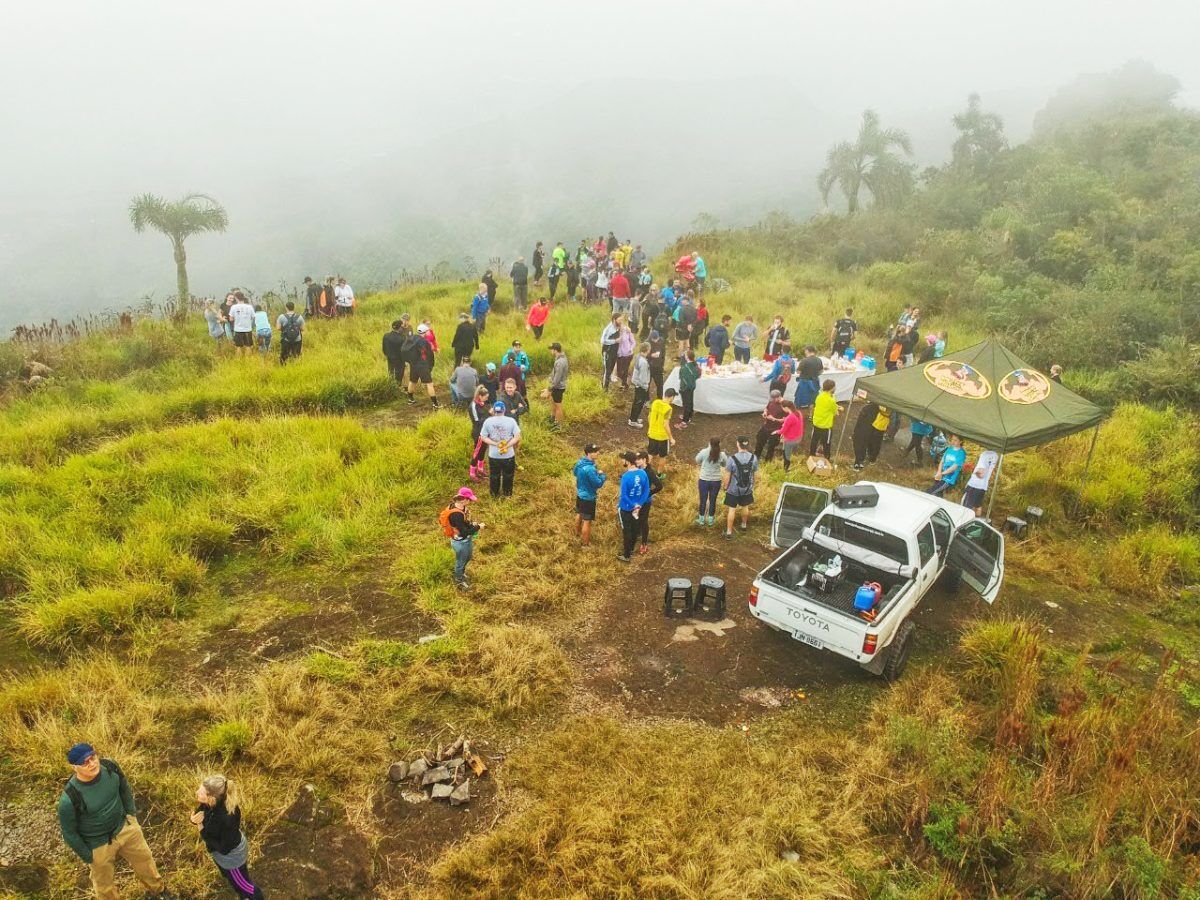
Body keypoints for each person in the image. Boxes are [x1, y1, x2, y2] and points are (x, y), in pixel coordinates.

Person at [57, 743, 174, 900]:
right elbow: (69, 833)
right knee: (104, 885)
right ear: (74, 767)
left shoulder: (110, 767)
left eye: (93, 757)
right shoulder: (69, 798)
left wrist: (131, 814)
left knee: (145, 861)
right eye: (85, 762)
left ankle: (159, 891)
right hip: (98, 844)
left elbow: (124, 787)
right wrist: (88, 856)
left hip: (125, 828)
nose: (92, 763)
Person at [191, 775, 263, 899]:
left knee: (246, 887)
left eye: (201, 792)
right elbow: (199, 815)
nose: (197, 792)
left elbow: (224, 849)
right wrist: (193, 820)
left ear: (211, 797)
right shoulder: (208, 804)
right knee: (228, 876)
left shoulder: (227, 818)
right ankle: (230, 878)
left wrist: (201, 828)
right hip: (218, 852)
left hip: (232, 858)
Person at [441, 487, 482, 588]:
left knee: (468, 557)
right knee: (461, 560)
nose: (470, 501)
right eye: (469, 500)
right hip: (460, 541)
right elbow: (463, 533)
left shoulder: (460, 507)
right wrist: (478, 527)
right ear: (464, 500)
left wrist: (471, 524)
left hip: (465, 539)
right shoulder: (456, 515)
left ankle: (461, 573)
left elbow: (464, 524)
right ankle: (458, 579)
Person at [480, 401, 521, 498]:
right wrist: (507, 445)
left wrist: (495, 443)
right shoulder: (511, 421)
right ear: (504, 410)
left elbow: (483, 437)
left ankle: (494, 495)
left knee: (494, 475)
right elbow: (517, 436)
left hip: (494, 455)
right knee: (508, 475)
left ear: (494, 410)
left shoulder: (488, 421)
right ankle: (507, 495)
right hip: (508, 455)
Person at [616, 452, 650, 563]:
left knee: (627, 531)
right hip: (638, 509)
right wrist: (639, 505)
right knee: (635, 529)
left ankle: (626, 555)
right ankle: (630, 550)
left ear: (628, 461)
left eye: (623, 459)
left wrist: (632, 505)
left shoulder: (626, 477)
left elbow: (624, 496)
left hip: (626, 508)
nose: (622, 461)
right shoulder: (642, 473)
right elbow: (646, 491)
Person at [722, 437, 759, 539]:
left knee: (732, 510)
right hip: (747, 488)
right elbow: (756, 474)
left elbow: (727, 476)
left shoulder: (732, 459)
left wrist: (725, 486)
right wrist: (753, 485)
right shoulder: (753, 458)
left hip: (733, 489)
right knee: (745, 507)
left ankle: (729, 532)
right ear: (747, 445)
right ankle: (743, 526)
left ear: (738, 444)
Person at [573, 443, 607, 547]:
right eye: (595, 452)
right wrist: (602, 475)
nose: (598, 453)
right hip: (588, 497)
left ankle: (577, 533)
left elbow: (575, 473)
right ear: (589, 453)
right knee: (587, 521)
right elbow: (598, 483)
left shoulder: (580, 462)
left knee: (579, 513)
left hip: (580, 494)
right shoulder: (590, 469)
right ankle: (585, 545)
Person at [403, 324, 442, 408]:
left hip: (413, 364)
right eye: (427, 331)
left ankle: (410, 399)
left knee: (412, 381)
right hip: (422, 365)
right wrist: (430, 365)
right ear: (425, 332)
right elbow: (429, 355)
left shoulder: (412, 338)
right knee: (429, 384)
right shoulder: (424, 341)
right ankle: (435, 404)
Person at [635, 450, 663, 553]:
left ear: (644, 460)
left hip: (645, 502)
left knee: (643, 521)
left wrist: (649, 493)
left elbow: (659, 486)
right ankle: (637, 535)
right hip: (636, 500)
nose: (636, 461)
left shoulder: (650, 472)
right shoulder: (637, 468)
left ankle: (644, 543)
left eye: (638, 459)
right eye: (636, 459)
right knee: (636, 518)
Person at [695, 437, 727, 526]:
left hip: (704, 480)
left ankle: (701, 520)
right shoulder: (722, 454)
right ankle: (711, 520)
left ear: (709, 443)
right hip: (716, 481)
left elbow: (697, 460)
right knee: (713, 500)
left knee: (703, 500)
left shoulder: (704, 452)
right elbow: (725, 464)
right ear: (719, 444)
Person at [852, 401, 889, 470]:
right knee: (873, 444)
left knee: (862, 443)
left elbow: (860, 420)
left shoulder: (867, 408)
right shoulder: (884, 408)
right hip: (877, 428)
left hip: (869, 428)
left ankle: (860, 461)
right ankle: (870, 459)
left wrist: (855, 430)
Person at [962, 448, 1000, 515]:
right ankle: (976, 520)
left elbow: (981, 474)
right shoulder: (995, 455)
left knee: (967, 507)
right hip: (983, 486)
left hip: (974, 484)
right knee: (977, 505)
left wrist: (973, 470)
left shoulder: (985, 454)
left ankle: (966, 521)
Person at [754, 390, 787, 462]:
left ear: (779, 397)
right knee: (759, 440)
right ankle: (756, 457)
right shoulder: (771, 401)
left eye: (774, 399)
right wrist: (765, 412)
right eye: (772, 399)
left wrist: (774, 419)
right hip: (767, 426)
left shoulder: (785, 405)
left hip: (776, 430)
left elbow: (786, 420)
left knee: (771, 446)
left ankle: (767, 462)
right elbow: (767, 408)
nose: (773, 400)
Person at [467, 385, 491, 481]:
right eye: (485, 397)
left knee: (483, 450)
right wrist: (489, 415)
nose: (486, 399)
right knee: (477, 452)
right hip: (478, 433)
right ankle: (472, 473)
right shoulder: (473, 405)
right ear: (480, 396)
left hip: (485, 432)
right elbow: (477, 421)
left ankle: (480, 469)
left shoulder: (483, 403)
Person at [810, 379, 838, 459]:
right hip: (826, 427)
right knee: (827, 444)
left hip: (816, 423)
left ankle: (811, 456)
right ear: (832, 388)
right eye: (834, 386)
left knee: (814, 441)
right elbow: (835, 412)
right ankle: (827, 458)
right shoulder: (831, 400)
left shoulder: (819, 396)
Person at [776, 400, 806, 471]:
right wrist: (785, 420)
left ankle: (786, 469)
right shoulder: (798, 413)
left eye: (782, 408)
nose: (782, 409)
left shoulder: (790, 418)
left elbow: (782, 431)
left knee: (787, 454)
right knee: (785, 449)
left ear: (786, 407)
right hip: (798, 437)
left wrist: (775, 432)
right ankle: (786, 464)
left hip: (791, 440)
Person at [646, 388, 675, 462]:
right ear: (671, 397)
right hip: (662, 437)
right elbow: (665, 425)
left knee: (650, 454)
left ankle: (645, 471)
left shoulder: (655, 402)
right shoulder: (668, 408)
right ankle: (659, 474)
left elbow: (649, 417)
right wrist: (671, 438)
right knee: (663, 456)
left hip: (652, 433)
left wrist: (651, 427)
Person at [794, 345, 823, 417]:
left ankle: (797, 415)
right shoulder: (819, 360)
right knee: (812, 400)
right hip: (815, 382)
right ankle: (810, 415)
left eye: (805, 350)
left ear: (807, 351)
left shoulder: (804, 360)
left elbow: (798, 372)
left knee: (799, 399)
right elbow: (821, 371)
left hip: (804, 382)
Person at [382, 319, 409, 393]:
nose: (403, 328)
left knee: (391, 372)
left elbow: (384, 348)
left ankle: (391, 388)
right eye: (402, 327)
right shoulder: (402, 338)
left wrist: (387, 355)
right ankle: (398, 389)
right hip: (399, 359)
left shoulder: (386, 336)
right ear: (399, 328)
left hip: (390, 357)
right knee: (399, 374)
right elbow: (405, 351)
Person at [628, 343, 652, 426]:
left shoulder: (639, 357)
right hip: (641, 385)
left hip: (637, 383)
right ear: (647, 350)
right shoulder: (644, 362)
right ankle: (633, 421)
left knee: (636, 402)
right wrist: (645, 386)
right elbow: (642, 377)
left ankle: (633, 418)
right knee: (639, 403)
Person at [546, 342, 568, 430]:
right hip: (557, 386)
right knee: (553, 402)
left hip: (558, 387)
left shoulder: (560, 362)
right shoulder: (560, 358)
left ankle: (558, 425)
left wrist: (549, 388)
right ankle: (553, 417)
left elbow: (557, 378)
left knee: (558, 406)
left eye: (551, 349)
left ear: (555, 350)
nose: (550, 351)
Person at [678, 350, 701, 427]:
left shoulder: (685, 367)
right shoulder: (695, 365)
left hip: (685, 388)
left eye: (685, 355)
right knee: (690, 401)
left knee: (686, 404)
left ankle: (685, 421)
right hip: (692, 386)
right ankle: (689, 416)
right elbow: (698, 375)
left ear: (687, 357)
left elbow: (681, 377)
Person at [228, 292, 255, 357]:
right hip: (248, 329)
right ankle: (248, 360)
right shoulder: (249, 307)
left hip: (238, 329)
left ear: (236, 298)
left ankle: (238, 361)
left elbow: (231, 319)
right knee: (248, 346)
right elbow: (253, 317)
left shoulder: (233, 307)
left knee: (238, 346)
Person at [600, 314, 622, 390]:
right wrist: (615, 341)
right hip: (607, 352)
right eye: (619, 320)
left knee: (610, 370)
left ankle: (606, 385)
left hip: (614, 352)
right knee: (607, 370)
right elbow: (603, 341)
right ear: (614, 320)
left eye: (621, 320)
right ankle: (604, 389)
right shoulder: (608, 329)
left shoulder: (618, 326)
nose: (620, 321)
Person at [647, 329, 666, 399]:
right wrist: (651, 355)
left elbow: (663, 353)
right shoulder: (647, 343)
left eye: (657, 339)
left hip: (658, 367)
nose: (655, 341)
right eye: (654, 339)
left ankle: (660, 399)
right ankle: (647, 399)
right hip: (649, 367)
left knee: (660, 384)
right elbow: (643, 354)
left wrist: (662, 365)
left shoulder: (661, 341)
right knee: (647, 384)